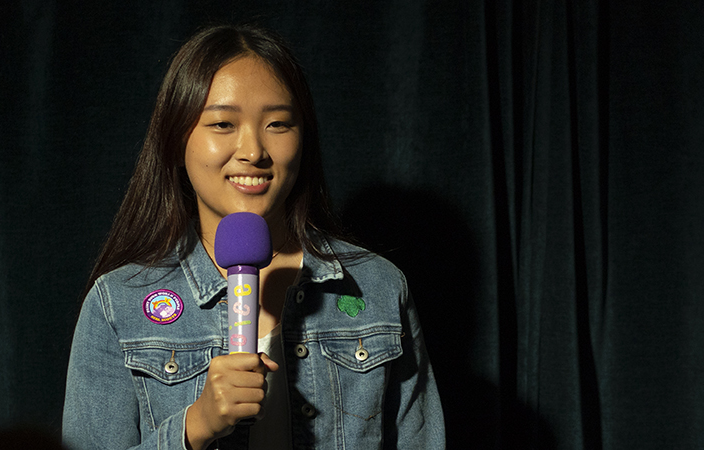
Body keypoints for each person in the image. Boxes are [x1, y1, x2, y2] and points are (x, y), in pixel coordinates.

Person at [62, 24, 444, 450]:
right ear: (176, 140)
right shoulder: (119, 303)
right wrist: (194, 427)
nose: (253, 151)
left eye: (278, 123)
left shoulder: (378, 287)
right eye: (223, 123)